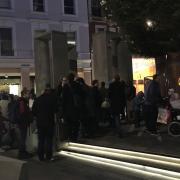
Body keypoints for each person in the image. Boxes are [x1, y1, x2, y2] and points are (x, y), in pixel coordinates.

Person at [32, 85, 57, 161]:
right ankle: (48, 157)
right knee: (49, 140)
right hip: (49, 123)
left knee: (41, 140)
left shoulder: (37, 99)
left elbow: (33, 112)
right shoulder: (52, 99)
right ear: (48, 91)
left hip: (40, 123)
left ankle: (41, 157)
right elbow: (56, 110)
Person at [62, 73, 82, 142]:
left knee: (69, 125)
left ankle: (70, 138)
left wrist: (63, 111)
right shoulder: (77, 85)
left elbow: (63, 99)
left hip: (68, 109)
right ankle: (75, 138)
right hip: (75, 108)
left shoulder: (65, 86)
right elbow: (82, 95)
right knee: (76, 124)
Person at [15, 90, 32, 159]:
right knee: (23, 138)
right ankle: (21, 153)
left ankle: (23, 152)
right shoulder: (22, 102)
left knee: (23, 138)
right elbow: (22, 113)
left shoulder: (23, 101)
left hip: (22, 123)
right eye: (28, 94)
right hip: (22, 123)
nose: (29, 95)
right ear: (24, 94)